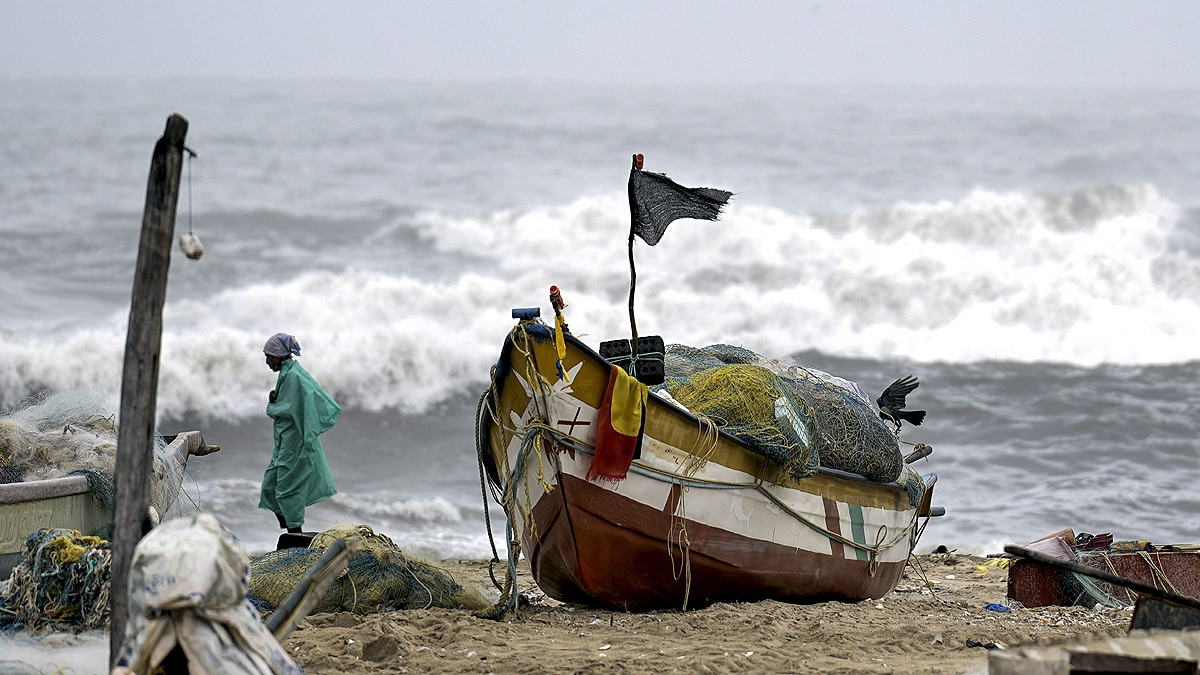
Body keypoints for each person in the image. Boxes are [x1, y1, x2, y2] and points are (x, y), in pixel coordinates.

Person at [259, 332, 341, 534]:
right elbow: (290, 403)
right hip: (284, 445)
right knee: (270, 488)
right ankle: (292, 532)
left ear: (280, 355)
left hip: (295, 447)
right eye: (266, 356)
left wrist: (272, 405)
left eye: (270, 356)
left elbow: (288, 408)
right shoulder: (287, 374)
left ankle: (295, 535)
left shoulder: (294, 376)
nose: (268, 361)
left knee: (288, 492)